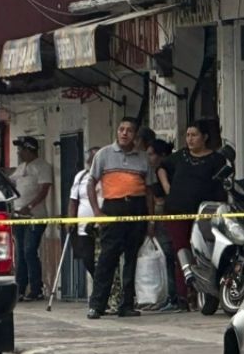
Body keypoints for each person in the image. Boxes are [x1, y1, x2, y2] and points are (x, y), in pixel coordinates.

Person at [87, 117, 154, 319]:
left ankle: (126, 305)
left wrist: (151, 219)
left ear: (135, 136)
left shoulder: (143, 158)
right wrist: (97, 212)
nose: (124, 133)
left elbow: (149, 190)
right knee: (107, 258)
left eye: (129, 131)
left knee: (131, 259)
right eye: (121, 129)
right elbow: (91, 183)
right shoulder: (104, 154)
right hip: (113, 209)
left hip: (136, 209)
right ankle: (97, 305)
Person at [159, 123, 228, 310]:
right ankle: (184, 296)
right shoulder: (180, 156)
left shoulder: (217, 159)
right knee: (181, 251)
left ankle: (207, 292)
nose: (190, 139)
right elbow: (162, 167)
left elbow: (223, 184)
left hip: (205, 213)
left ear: (205, 137)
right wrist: (168, 189)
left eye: (194, 135)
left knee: (204, 252)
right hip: (176, 211)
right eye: (187, 135)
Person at [9, 136, 53, 301]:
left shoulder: (42, 167)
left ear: (29, 149)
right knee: (20, 252)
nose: (19, 152)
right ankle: (20, 288)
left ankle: (36, 289)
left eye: (21, 149)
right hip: (19, 216)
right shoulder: (21, 167)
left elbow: (44, 190)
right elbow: (11, 181)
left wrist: (29, 206)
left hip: (35, 216)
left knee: (29, 251)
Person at [145, 138, 178, 310]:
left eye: (151, 154)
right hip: (165, 213)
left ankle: (174, 296)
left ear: (161, 155)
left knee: (168, 256)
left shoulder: (161, 170)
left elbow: (163, 194)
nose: (148, 158)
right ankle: (171, 295)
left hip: (164, 214)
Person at [67, 146, 101, 278]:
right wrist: (70, 220)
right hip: (84, 227)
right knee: (87, 258)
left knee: (104, 260)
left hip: (103, 226)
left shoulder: (108, 176)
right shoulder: (81, 176)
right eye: (91, 159)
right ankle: (98, 284)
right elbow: (73, 200)